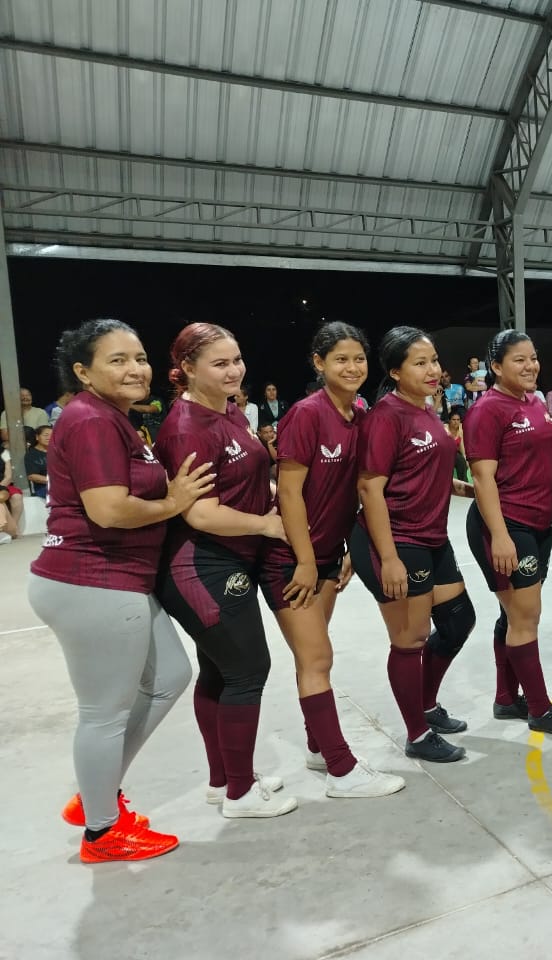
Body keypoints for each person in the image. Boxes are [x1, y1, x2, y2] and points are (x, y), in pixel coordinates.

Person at [31, 318, 214, 862]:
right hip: (91, 579)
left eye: (139, 357)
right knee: (104, 713)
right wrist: (174, 503)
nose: (136, 369)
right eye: (117, 360)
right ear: (84, 372)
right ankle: (102, 832)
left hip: (115, 580)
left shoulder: (113, 417)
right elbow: (108, 509)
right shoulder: (91, 420)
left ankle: (96, 792)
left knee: (170, 675)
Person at [154, 324, 298, 818]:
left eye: (236, 359)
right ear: (187, 369)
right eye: (220, 363)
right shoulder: (186, 428)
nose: (234, 370)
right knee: (248, 671)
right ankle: (239, 795)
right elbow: (199, 513)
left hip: (231, 558)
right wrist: (268, 524)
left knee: (219, 671)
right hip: (201, 564)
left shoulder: (230, 409)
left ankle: (224, 781)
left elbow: (246, 478)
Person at [262, 323, 406, 798]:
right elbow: (289, 493)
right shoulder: (306, 414)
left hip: (327, 554)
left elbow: (350, 492)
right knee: (318, 657)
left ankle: (317, 746)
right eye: (340, 359)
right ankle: (342, 771)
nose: (352, 367)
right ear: (319, 363)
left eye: (359, 358)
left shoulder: (360, 413)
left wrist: (343, 548)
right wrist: (304, 560)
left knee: (313, 655)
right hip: (291, 557)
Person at [351, 326, 476, 765]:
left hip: (432, 536)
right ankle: (417, 734)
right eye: (419, 363)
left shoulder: (425, 409)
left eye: (434, 360)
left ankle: (425, 704)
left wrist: (465, 488)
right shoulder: (386, 416)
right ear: (394, 372)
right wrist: (388, 558)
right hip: (400, 539)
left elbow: (423, 471)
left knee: (458, 621)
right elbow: (370, 488)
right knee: (410, 638)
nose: (432, 370)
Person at [466, 331, 552, 735]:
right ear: (496, 367)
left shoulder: (535, 402)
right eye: (519, 360)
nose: (531, 365)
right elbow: (482, 479)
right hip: (506, 524)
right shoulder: (487, 410)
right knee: (526, 617)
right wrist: (500, 536)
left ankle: (506, 699)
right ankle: (539, 709)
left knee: (513, 613)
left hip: (538, 523)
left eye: (533, 357)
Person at [25, 424, 51, 499]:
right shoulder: (31, 455)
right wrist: (55, 481)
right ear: (37, 437)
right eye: (46, 435)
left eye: (52, 435)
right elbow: (32, 476)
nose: (49, 437)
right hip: (44, 487)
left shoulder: (59, 452)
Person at [445, 409, 468, 481]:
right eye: (453, 419)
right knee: (457, 458)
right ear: (449, 420)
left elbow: (461, 446)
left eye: (458, 420)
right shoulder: (445, 427)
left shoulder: (460, 431)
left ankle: (464, 482)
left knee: (462, 460)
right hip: (444, 452)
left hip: (455, 453)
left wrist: (465, 458)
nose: (456, 422)